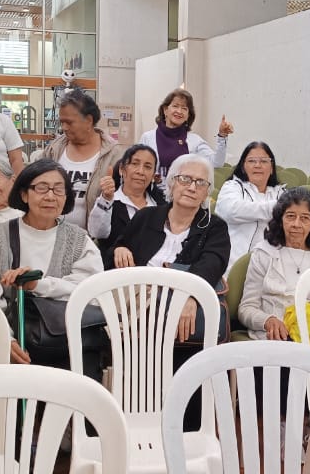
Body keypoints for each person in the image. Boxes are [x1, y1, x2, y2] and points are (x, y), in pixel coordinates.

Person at [108, 153, 231, 429]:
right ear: (171, 184)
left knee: (187, 346)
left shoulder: (214, 227)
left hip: (181, 311)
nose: (191, 187)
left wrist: (189, 295)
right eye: (185, 179)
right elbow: (113, 249)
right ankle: (137, 424)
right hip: (140, 305)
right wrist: (120, 247)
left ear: (207, 193)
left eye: (200, 183)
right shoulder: (146, 217)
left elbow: (212, 264)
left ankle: (186, 432)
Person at [0, 159, 106, 377]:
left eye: (59, 189)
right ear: (23, 194)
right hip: (9, 337)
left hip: (66, 341)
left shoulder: (79, 240)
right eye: (41, 188)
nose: (50, 196)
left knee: (80, 381)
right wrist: (4, 340)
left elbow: (91, 292)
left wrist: (37, 285)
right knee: (2, 379)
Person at [239, 188, 310, 341]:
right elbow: (246, 309)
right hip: (276, 338)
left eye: (305, 218)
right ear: (280, 220)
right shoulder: (264, 253)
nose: (296, 224)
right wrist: (267, 321)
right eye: (290, 216)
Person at [37, 89, 124, 234]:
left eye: (69, 122)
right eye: (62, 122)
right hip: (51, 235)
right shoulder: (55, 148)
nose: (63, 127)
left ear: (89, 120)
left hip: (92, 241)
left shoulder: (114, 154)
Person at [215, 142, 286, 269]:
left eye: (264, 161)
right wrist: (279, 208)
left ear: (271, 168)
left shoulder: (282, 193)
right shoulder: (232, 186)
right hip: (234, 264)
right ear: (243, 167)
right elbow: (232, 211)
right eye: (252, 161)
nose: (258, 165)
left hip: (273, 267)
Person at [138, 89, 233, 184]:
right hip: (153, 194)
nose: (179, 111)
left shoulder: (194, 141)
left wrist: (222, 136)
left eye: (184, 108)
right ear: (165, 110)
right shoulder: (148, 138)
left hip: (183, 195)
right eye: (175, 106)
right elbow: (138, 165)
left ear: (188, 115)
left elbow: (217, 162)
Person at [88, 144, 162, 250]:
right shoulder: (110, 201)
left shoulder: (160, 205)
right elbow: (96, 232)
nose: (140, 171)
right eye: (135, 164)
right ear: (122, 169)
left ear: (153, 175)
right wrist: (106, 199)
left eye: (147, 167)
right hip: (114, 264)